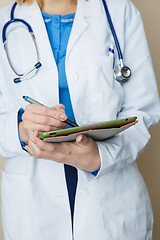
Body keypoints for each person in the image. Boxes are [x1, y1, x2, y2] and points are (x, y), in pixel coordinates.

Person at [0, 0, 159, 239]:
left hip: (112, 201)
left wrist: (100, 157)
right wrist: (20, 129)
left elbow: (143, 109)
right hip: (32, 209)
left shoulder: (118, 11)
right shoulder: (5, 20)